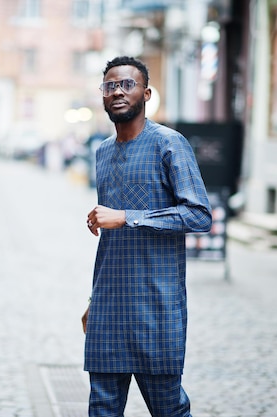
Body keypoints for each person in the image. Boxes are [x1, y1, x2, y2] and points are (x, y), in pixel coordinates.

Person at [81, 56, 212, 417]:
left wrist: (127, 217)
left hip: (155, 307)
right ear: (102, 96)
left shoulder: (169, 144)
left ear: (146, 93)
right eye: (110, 86)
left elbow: (199, 215)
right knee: (102, 410)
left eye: (127, 84)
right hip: (109, 308)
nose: (118, 91)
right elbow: (109, 241)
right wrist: (95, 299)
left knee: (168, 410)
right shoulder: (103, 152)